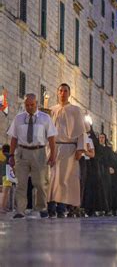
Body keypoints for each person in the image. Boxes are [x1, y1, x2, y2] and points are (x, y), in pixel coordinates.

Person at [7, 94, 57, 219]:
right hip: (22, 152)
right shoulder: (18, 118)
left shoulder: (45, 118)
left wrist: (53, 156)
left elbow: (51, 138)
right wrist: (11, 155)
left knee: (40, 182)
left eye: (32, 105)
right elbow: (14, 138)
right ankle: (20, 210)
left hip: (39, 152)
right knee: (21, 183)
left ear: (37, 104)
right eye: (27, 105)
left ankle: (41, 207)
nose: (29, 107)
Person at [48, 84, 86, 218]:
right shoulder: (52, 110)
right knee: (52, 178)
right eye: (60, 91)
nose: (63, 93)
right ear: (57, 93)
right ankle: (50, 206)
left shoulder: (75, 110)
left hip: (69, 148)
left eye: (65, 91)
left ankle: (61, 206)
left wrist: (80, 148)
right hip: (53, 147)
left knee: (64, 179)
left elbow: (81, 131)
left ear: (69, 93)